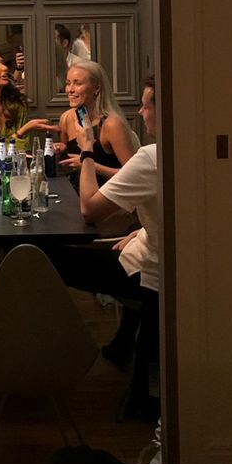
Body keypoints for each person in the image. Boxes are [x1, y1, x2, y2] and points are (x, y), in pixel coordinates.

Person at [61, 76, 160, 421]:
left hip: (152, 272)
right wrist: (145, 230)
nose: (142, 112)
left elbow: (88, 209)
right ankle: (122, 349)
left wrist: (86, 150)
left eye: (147, 105)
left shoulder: (150, 158)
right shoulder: (182, 152)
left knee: (51, 257)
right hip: (149, 251)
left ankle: (51, 352)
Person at [57, 61, 139, 188]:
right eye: (68, 84)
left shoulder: (111, 124)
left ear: (97, 88)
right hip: (76, 192)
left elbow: (134, 176)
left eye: (77, 83)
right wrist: (61, 151)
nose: (70, 90)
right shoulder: (66, 118)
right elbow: (68, 162)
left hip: (107, 196)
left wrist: (90, 164)